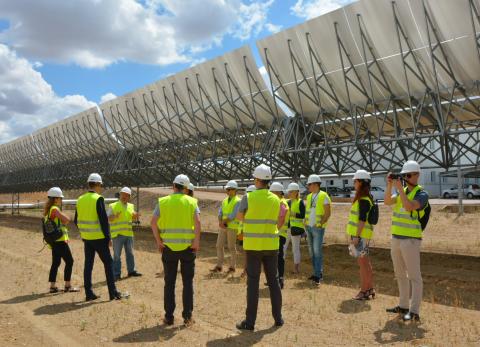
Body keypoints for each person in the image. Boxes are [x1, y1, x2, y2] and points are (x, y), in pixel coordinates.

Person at [236, 164, 284, 331]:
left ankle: (250, 323)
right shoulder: (276, 199)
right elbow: (277, 219)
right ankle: (278, 319)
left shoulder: (248, 197)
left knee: (253, 283)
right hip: (271, 245)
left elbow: (240, 217)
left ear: (257, 180)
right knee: (274, 282)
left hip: (253, 247)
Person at [151, 174, 201, 327]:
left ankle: (169, 317)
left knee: (169, 283)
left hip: (169, 249)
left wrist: (159, 242)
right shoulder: (192, 202)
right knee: (187, 283)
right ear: (186, 188)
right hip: (188, 248)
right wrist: (196, 242)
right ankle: (187, 317)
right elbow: (198, 223)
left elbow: (153, 223)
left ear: (173, 186)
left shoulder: (163, 202)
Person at [384, 160, 429, 322]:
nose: (406, 177)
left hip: (410, 240)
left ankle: (414, 311)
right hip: (396, 238)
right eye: (404, 175)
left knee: (414, 277)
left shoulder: (421, 194)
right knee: (400, 274)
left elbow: (409, 206)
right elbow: (387, 202)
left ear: (417, 175)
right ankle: (403, 306)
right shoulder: (400, 190)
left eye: (409, 175)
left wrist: (399, 190)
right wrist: (389, 185)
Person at [75, 173, 126, 301]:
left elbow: (76, 220)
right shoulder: (98, 199)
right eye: (101, 185)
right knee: (108, 263)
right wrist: (108, 237)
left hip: (87, 238)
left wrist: (84, 232)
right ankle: (112, 293)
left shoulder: (80, 199)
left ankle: (89, 293)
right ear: (97, 184)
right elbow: (104, 221)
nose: (101, 187)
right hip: (99, 238)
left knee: (88, 265)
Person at [346, 170, 375, 300]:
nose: (354, 183)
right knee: (366, 263)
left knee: (362, 264)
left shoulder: (363, 200)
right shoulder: (367, 198)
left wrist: (356, 237)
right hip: (364, 236)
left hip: (360, 236)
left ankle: (364, 291)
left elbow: (362, 220)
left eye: (355, 181)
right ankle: (369, 289)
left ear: (361, 183)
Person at [44, 187, 79, 293]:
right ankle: (68, 286)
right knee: (69, 261)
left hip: (54, 241)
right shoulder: (55, 209)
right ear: (55, 199)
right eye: (60, 198)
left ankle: (52, 286)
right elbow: (67, 220)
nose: (61, 200)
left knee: (56, 263)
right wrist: (64, 219)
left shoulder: (49, 210)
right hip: (60, 241)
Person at [108, 187, 142, 280]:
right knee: (117, 255)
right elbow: (108, 218)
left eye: (127, 195)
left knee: (130, 254)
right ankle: (116, 274)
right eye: (123, 194)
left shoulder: (131, 206)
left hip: (128, 234)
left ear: (129, 197)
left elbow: (132, 219)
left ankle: (131, 271)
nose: (124, 196)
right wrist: (115, 216)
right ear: (120, 195)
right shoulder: (113, 206)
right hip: (118, 235)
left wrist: (135, 216)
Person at [304, 174, 331, 285]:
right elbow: (309, 212)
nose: (308, 186)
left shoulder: (324, 196)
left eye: (309, 184)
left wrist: (320, 223)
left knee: (317, 252)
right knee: (312, 252)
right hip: (309, 227)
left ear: (315, 184)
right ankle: (316, 273)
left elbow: (327, 213)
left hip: (318, 228)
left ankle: (318, 275)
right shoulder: (309, 196)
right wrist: (305, 223)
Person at [211, 180, 240, 274]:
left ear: (235, 190)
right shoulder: (224, 201)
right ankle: (219, 266)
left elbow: (234, 215)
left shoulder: (238, 201)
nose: (227, 190)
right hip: (223, 226)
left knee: (231, 247)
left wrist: (223, 222)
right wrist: (220, 221)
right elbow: (220, 212)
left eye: (229, 189)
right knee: (219, 245)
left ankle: (232, 267)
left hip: (232, 227)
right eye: (227, 189)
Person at [269, 182, 289, 289]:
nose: (271, 194)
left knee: (279, 258)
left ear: (277, 192)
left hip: (279, 234)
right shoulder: (279, 202)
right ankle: (275, 278)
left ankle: (280, 279)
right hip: (278, 234)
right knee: (275, 258)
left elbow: (281, 220)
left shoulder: (281, 203)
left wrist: (274, 230)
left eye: (272, 192)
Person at [284, 182, 305, 274]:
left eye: (291, 191)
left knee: (295, 249)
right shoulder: (287, 202)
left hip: (296, 229)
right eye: (289, 192)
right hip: (287, 228)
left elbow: (303, 215)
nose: (289, 193)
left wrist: (294, 214)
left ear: (296, 192)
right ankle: (281, 267)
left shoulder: (300, 202)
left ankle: (296, 268)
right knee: (283, 247)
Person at [237, 184, 256, 278]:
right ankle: (246, 270)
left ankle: (247, 271)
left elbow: (240, 217)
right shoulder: (246, 206)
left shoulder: (250, 207)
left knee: (250, 254)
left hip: (250, 233)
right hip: (245, 232)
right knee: (247, 253)